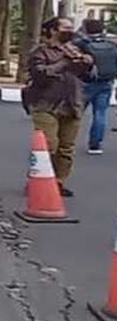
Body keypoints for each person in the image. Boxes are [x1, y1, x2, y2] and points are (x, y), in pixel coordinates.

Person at [27, 16, 93, 196]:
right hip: (46, 104)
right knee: (48, 145)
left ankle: (58, 182)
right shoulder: (41, 51)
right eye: (66, 28)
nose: (70, 31)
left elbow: (89, 77)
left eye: (72, 28)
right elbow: (39, 74)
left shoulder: (77, 50)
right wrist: (63, 63)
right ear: (53, 30)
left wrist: (87, 64)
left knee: (66, 148)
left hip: (72, 104)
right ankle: (38, 179)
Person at [74, 18, 116, 155]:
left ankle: (67, 140)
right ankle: (95, 144)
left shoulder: (81, 44)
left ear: (85, 29)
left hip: (84, 82)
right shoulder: (111, 44)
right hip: (106, 82)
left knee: (75, 112)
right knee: (100, 113)